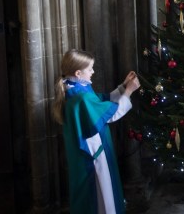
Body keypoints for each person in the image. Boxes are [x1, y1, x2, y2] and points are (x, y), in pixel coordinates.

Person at [52, 49, 141, 214]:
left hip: (85, 151)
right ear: (78, 73)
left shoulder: (75, 88)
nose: (93, 72)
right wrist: (129, 91)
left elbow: (101, 101)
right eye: (90, 69)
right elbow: (110, 114)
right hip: (92, 154)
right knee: (100, 194)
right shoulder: (81, 97)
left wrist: (122, 87)